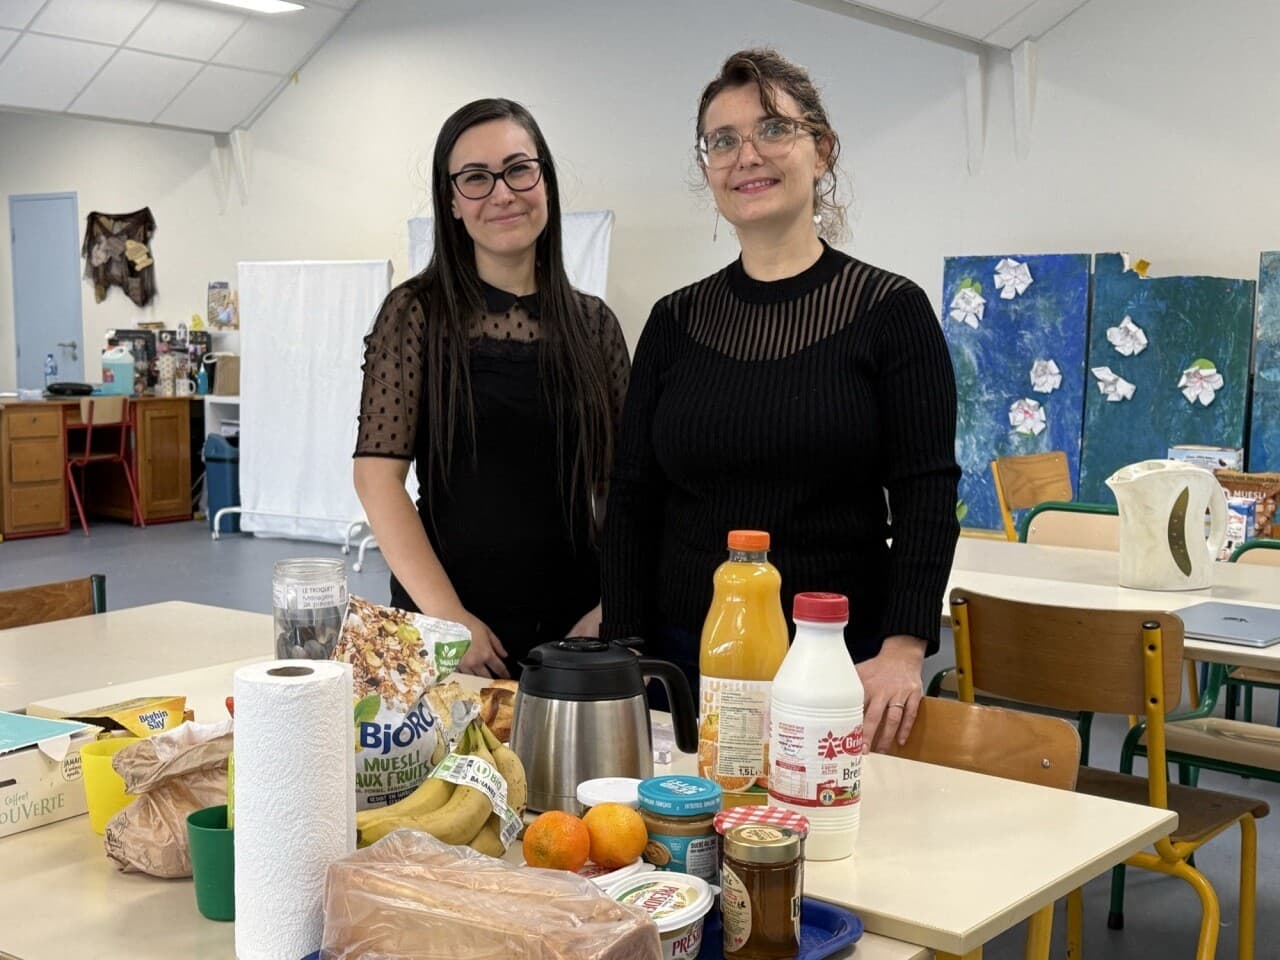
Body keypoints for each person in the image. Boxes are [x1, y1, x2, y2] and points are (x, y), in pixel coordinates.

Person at [600, 50, 960, 750]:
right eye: (723, 140)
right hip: (682, 660)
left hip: (836, 659)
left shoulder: (891, 311)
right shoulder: (674, 322)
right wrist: (626, 646)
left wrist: (904, 648)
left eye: (773, 129)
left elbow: (926, 492)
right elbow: (633, 497)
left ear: (822, 151)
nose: (747, 156)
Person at [355, 98, 629, 679]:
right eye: (476, 178)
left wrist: (612, 604)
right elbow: (377, 479)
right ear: (452, 201)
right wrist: (449, 618)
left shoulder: (595, 325)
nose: (503, 193)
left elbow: (622, 489)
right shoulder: (416, 314)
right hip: (450, 628)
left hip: (576, 630)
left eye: (518, 170)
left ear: (545, 181)